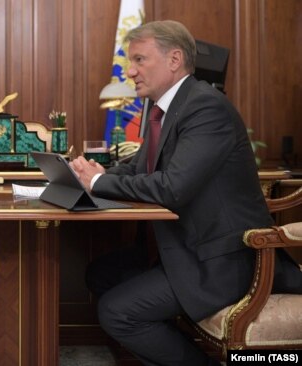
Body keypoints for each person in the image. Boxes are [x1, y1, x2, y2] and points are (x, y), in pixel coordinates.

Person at [70, 20, 302, 365]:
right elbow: (139, 171)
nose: (130, 71)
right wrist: (96, 175)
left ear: (174, 59)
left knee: (118, 312)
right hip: (180, 247)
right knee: (100, 273)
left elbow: (172, 187)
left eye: (139, 60)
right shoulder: (163, 108)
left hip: (223, 260)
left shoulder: (205, 108)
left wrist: (99, 184)